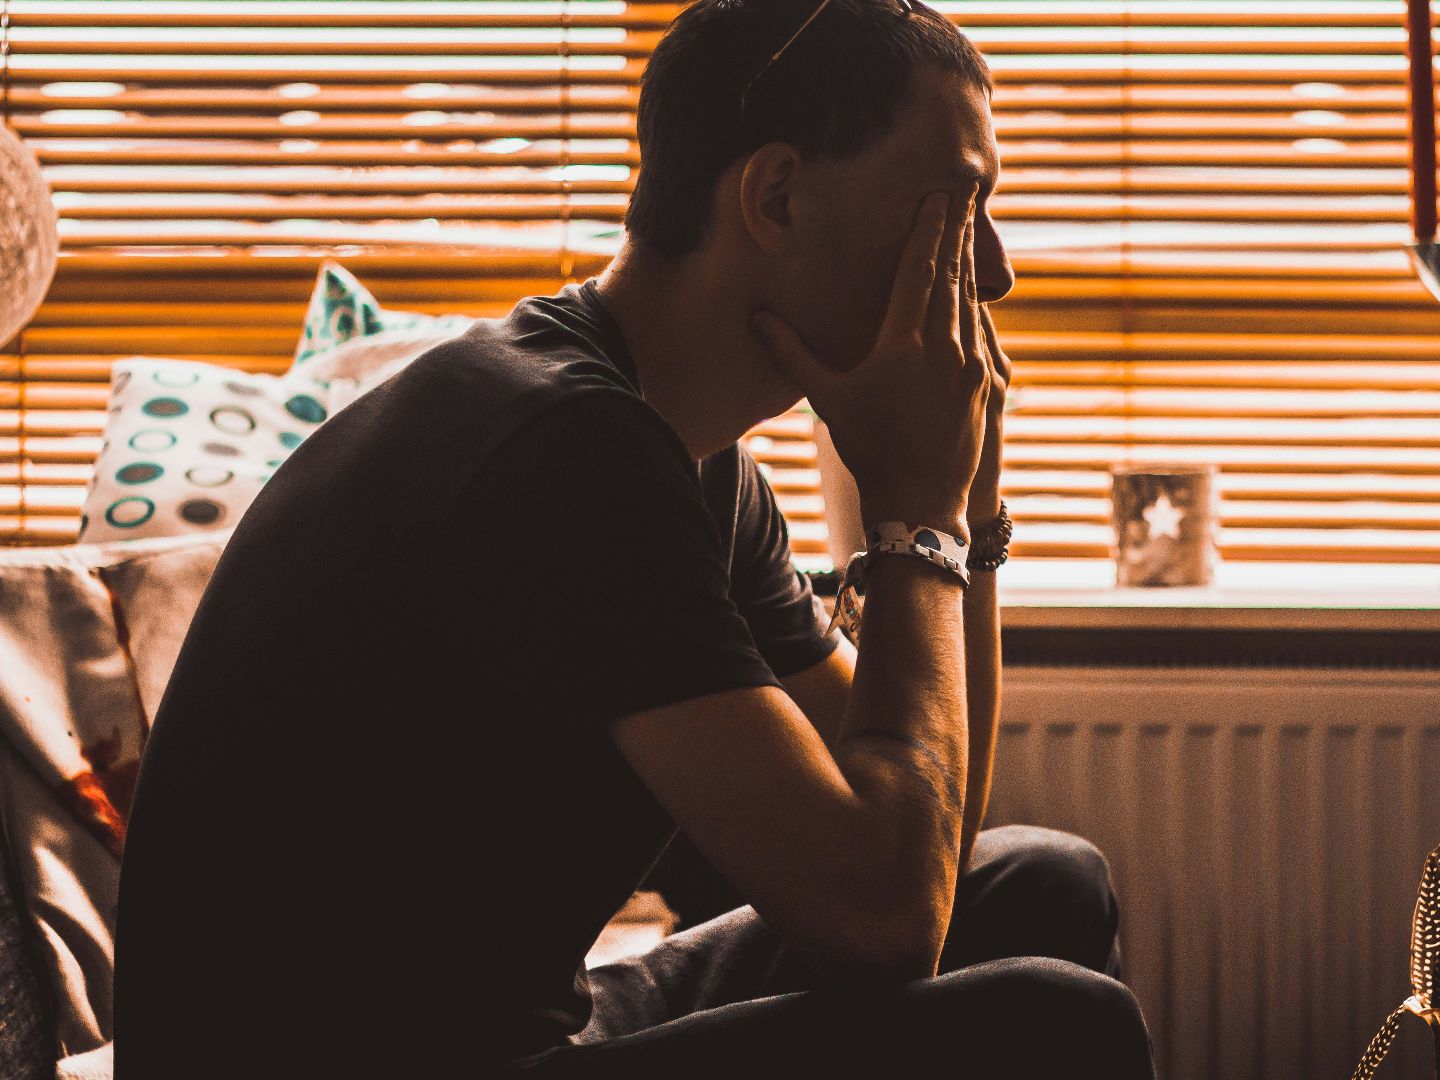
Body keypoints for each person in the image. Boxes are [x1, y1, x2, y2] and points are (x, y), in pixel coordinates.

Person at [113, 1, 1156, 1077]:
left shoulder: (685, 459)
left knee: (1043, 879)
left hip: (512, 1032)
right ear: (778, 196)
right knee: (1057, 1019)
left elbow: (918, 846)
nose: (993, 272)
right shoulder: (562, 448)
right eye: (957, 205)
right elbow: (881, 912)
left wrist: (967, 515)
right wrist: (916, 516)